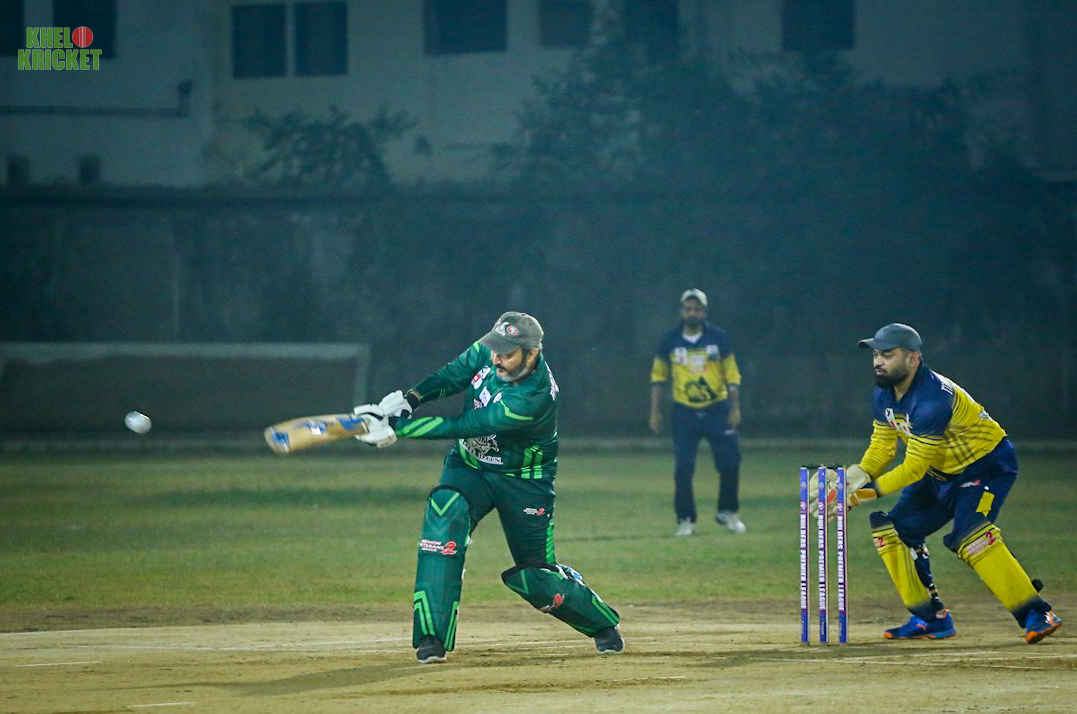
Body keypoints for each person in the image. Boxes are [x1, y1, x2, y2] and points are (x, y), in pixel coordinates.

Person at [355, 312, 622, 664]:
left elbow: (467, 424)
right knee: (444, 513)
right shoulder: (491, 348)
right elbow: (453, 375)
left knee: (535, 577)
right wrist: (411, 400)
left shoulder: (533, 398)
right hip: (470, 465)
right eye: (496, 349)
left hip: (524, 481)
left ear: (532, 354)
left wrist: (397, 429)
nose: (496, 358)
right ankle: (432, 637)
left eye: (507, 354)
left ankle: (600, 622)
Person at [833, 322, 1061, 643]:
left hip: (986, 467)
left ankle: (1037, 612)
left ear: (913, 358)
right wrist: (854, 477)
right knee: (892, 530)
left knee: (970, 535)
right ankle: (931, 619)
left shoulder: (932, 400)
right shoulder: (884, 393)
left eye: (887, 354)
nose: (878, 362)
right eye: (875, 355)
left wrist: (859, 496)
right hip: (939, 473)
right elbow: (882, 447)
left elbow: (913, 469)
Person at [649, 288, 745, 537]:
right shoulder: (669, 341)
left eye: (697, 309)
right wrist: (655, 411)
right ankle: (685, 519)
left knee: (730, 463)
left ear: (705, 312)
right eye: (688, 309)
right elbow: (658, 378)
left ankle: (728, 511)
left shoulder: (719, 338)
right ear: (682, 311)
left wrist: (735, 407)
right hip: (684, 412)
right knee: (683, 468)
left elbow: (732, 374)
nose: (692, 313)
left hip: (717, 409)